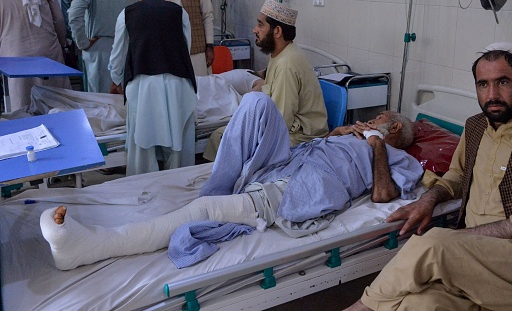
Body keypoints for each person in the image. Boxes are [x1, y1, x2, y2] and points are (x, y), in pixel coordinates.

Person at [40, 91, 421, 271]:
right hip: (288, 160)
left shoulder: (394, 155)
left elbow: (384, 195)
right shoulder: (354, 135)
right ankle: (219, 188)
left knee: (205, 211)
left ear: (394, 127)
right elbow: (319, 145)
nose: (370, 120)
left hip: (302, 186)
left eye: (379, 117)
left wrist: (375, 145)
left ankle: (89, 246)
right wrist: (343, 132)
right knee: (256, 103)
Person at [345, 42, 512, 311]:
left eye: (502, 82)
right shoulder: (475, 127)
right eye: (483, 84)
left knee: (434, 244)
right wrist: (428, 200)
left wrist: (473, 235)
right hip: (476, 259)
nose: (493, 94)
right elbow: (457, 176)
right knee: (419, 303)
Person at [203, 0, 329, 161]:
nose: (255, 29)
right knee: (222, 135)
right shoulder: (280, 54)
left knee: (229, 140)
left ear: (277, 31)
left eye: (260, 24)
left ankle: (229, 183)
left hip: (300, 137)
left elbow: (281, 120)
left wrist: (250, 131)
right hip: (285, 127)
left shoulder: (286, 65)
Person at [109, 0, 197, 176]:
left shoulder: (127, 13)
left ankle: (144, 186)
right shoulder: (179, 12)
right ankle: (179, 183)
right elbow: (186, 46)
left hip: (143, 83)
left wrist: (116, 79)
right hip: (178, 81)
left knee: (143, 144)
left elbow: (118, 53)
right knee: (178, 141)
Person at [0, 0, 71, 110]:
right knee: (57, 103)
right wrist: (62, 43)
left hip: (13, 54)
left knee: (21, 105)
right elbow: (58, 19)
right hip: (48, 49)